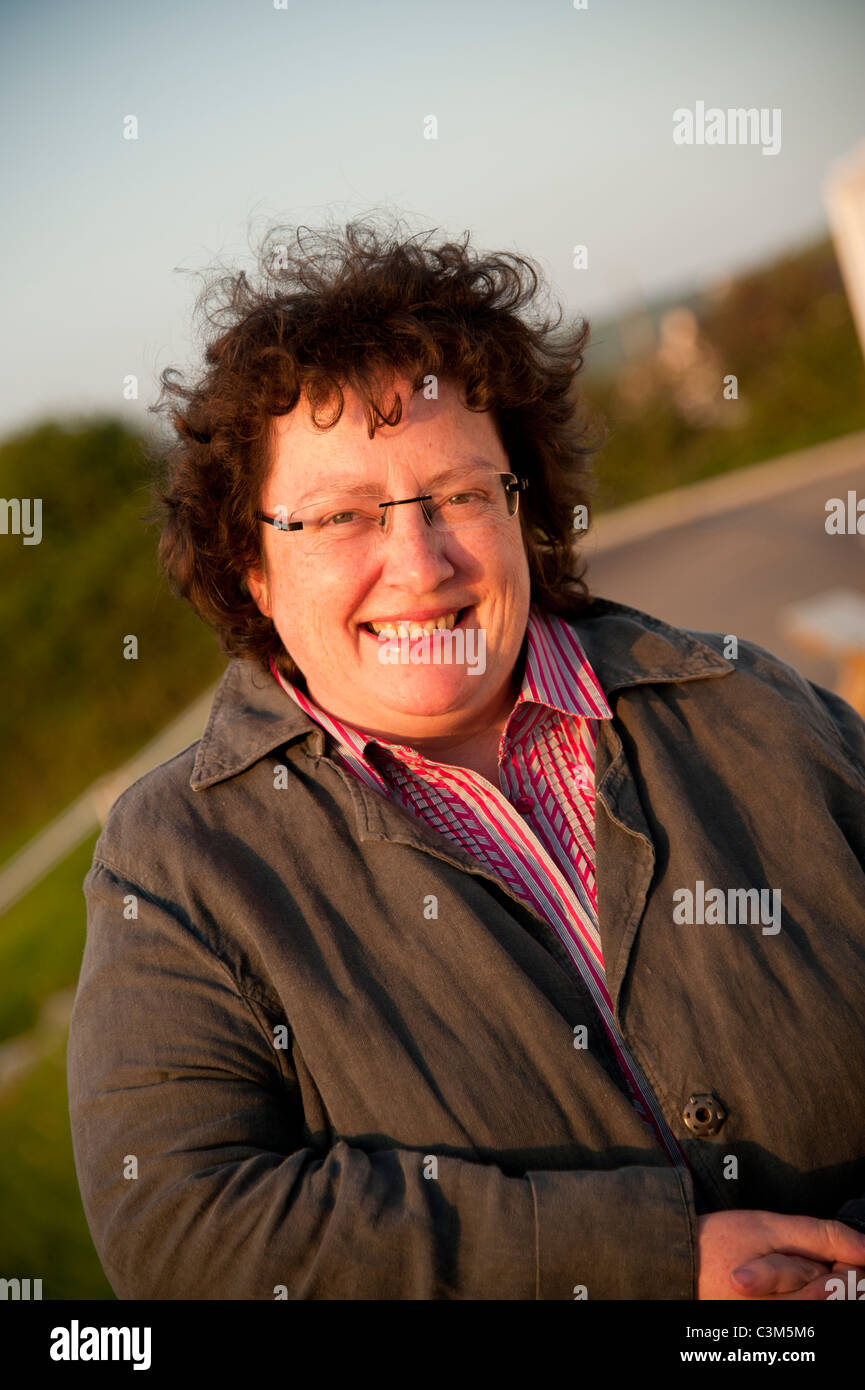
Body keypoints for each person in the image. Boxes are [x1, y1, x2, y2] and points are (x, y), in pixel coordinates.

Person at [67, 220, 865, 1300]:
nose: (419, 560)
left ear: (521, 505)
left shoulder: (744, 702)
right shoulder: (175, 862)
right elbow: (183, 1230)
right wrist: (645, 1263)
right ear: (251, 566)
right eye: (342, 514)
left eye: (456, 494)